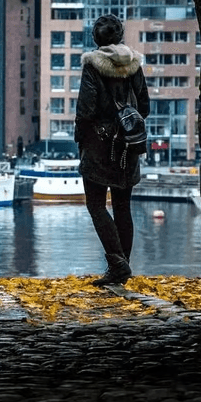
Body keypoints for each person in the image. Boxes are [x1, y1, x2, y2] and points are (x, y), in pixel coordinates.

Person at [74, 15, 150, 286]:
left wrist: (79, 137)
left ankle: (117, 265)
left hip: (98, 145)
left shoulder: (93, 65)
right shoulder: (133, 64)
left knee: (95, 205)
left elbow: (86, 109)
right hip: (128, 145)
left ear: (96, 38)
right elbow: (144, 106)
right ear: (119, 37)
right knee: (122, 206)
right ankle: (123, 266)